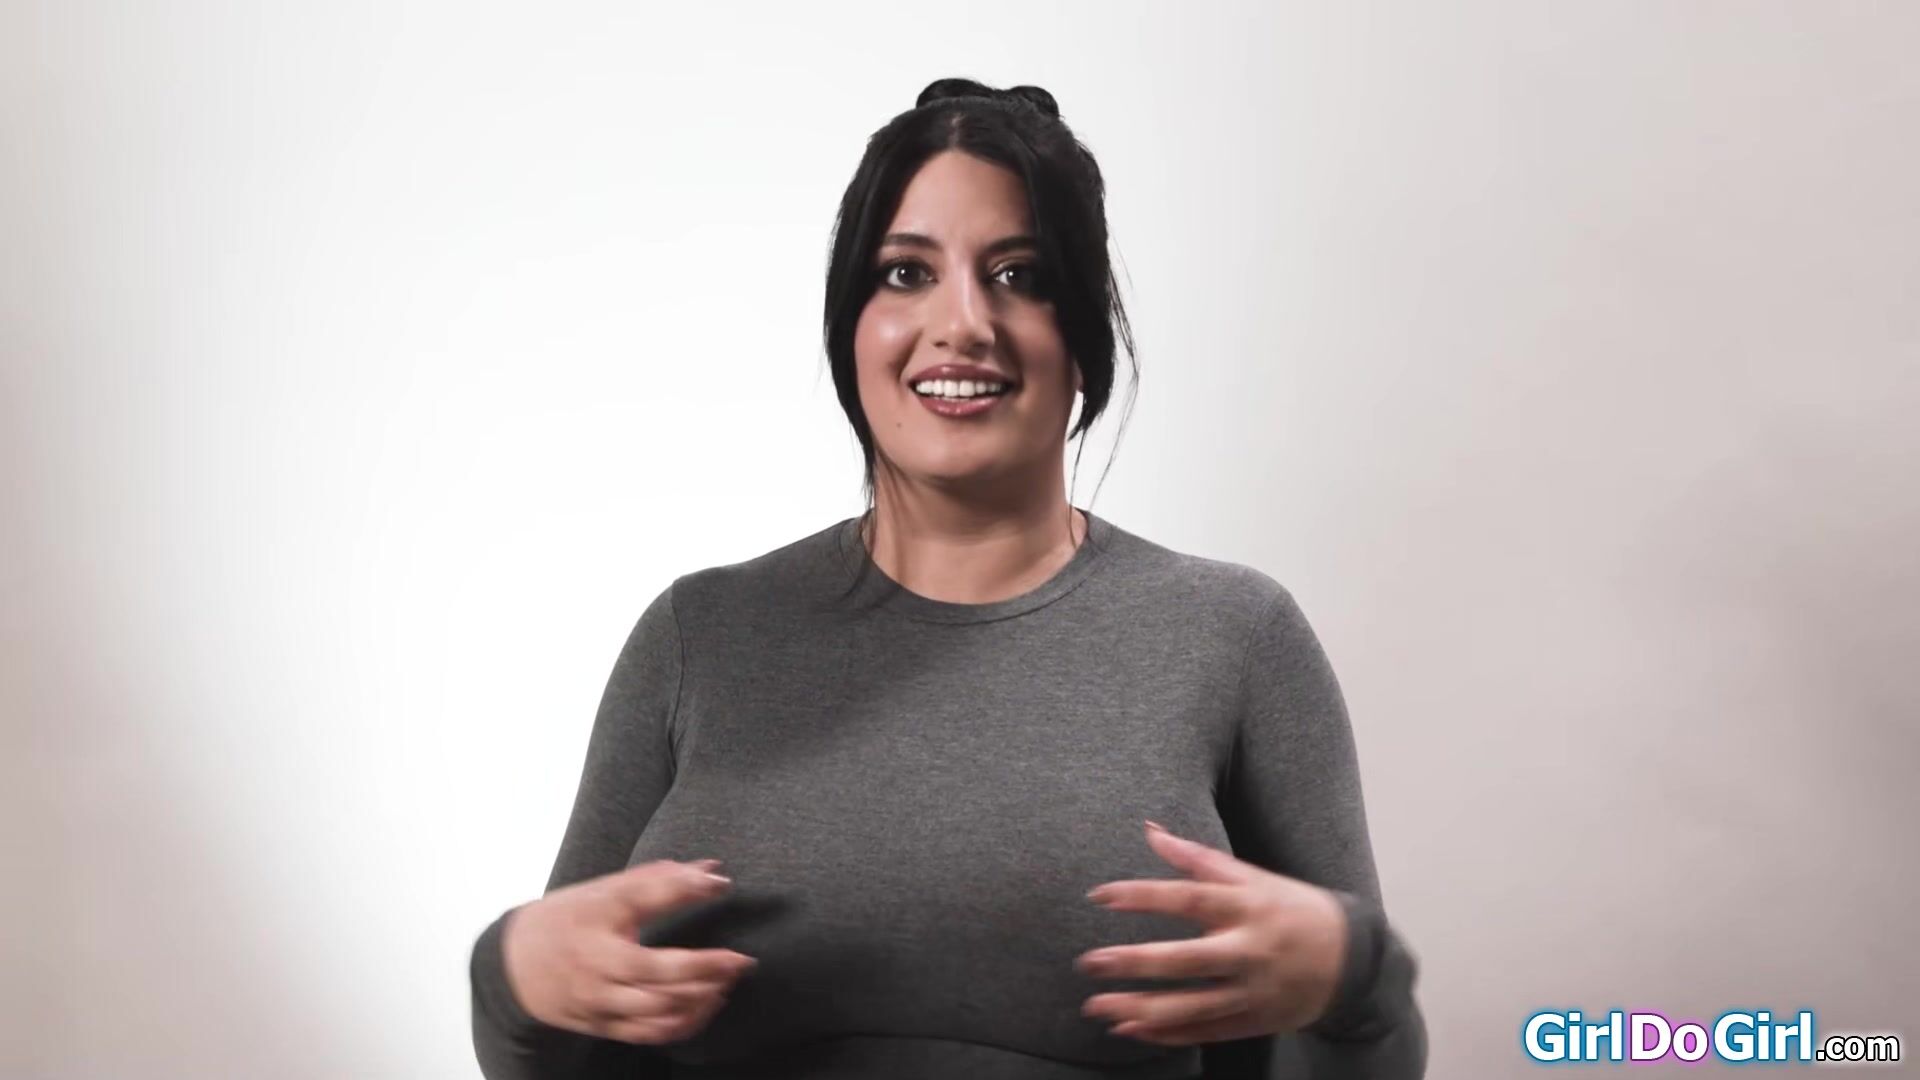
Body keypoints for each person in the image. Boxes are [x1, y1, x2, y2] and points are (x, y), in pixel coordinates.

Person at [468, 77, 1426, 1079]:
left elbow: (1365, 1051)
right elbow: (559, 1048)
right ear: (850, 324)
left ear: (1084, 336)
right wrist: (509, 982)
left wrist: (1355, 983)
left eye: (1020, 274)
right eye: (904, 273)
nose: (963, 321)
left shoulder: (1235, 637)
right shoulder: (696, 638)